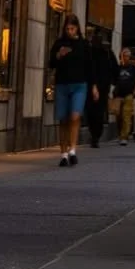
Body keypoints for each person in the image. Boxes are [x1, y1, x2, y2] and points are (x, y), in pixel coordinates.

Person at [48, 15, 96, 167]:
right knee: (63, 119)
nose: (70, 31)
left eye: (72, 28)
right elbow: (51, 63)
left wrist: (93, 86)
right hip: (62, 84)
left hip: (79, 85)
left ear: (77, 28)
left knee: (75, 116)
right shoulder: (59, 43)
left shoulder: (83, 44)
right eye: (67, 28)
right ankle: (63, 154)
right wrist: (58, 55)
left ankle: (73, 150)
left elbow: (90, 66)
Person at [85, 32, 116, 148]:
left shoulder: (94, 52)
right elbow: (115, 68)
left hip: (94, 85)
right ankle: (96, 135)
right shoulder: (106, 53)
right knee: (98, 111)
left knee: (92, 111)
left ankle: (95, 134)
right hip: (100, 86)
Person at [110, 47, 135, 146]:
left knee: (126, 116)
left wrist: (134, 92)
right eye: (124, 56)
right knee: (118, 116)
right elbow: (113, 81)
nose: (126, 58)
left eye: (127, 56)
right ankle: (120, 134)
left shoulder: (133, 68)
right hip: (118, 95)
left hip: (128, 94)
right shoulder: (117, 68)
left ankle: (124, 137)